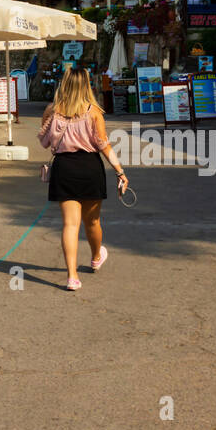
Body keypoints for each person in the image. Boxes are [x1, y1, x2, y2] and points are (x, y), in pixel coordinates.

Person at [38, 67, 129, 292]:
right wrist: (120, 171)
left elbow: (44, 141)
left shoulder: (52, 110)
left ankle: (72, 277)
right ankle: (97, 256)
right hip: (90, 167)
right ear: (87, 85)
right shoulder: (94, 112)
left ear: (64, 84)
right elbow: (103, 145)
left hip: (64, 168)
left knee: (70, 224)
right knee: (93, 222)